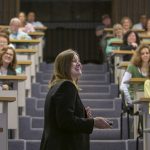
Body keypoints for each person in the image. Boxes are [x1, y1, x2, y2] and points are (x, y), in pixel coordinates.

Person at [40, 49, 111, 150]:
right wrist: (93, 122)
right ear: (64, 65)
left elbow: (62, 118)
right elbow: (66, 122)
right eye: (73, 61)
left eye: (78, 61)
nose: (78, 63)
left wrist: (84, 116)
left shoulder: (56, 86)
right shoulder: (66, 86)